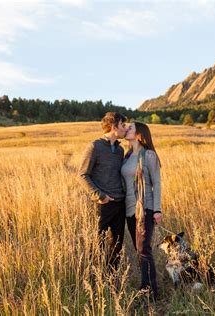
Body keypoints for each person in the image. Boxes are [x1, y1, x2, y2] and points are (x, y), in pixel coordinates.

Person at [78, 112, 128, 271]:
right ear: (114, 127)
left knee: (117, 244)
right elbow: (82, 175)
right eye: (123, 125)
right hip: (102, 205)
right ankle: (94, 279)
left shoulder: (120, 150)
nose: (125, 128)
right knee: (96, 243)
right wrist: (100, 195)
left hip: (120, 204)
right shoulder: (95, 147)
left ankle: (113, 278)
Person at [121, 121, 162, 300]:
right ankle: (145, 286)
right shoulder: (128, 155)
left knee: (144, 249)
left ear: (139, 133)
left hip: (144, 208)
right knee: (139, 250)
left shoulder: (149, 155)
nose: (126, 129)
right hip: (129, 210)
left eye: (130, 127)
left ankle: (151, 291)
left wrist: (157, 210)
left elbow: (157, 184)